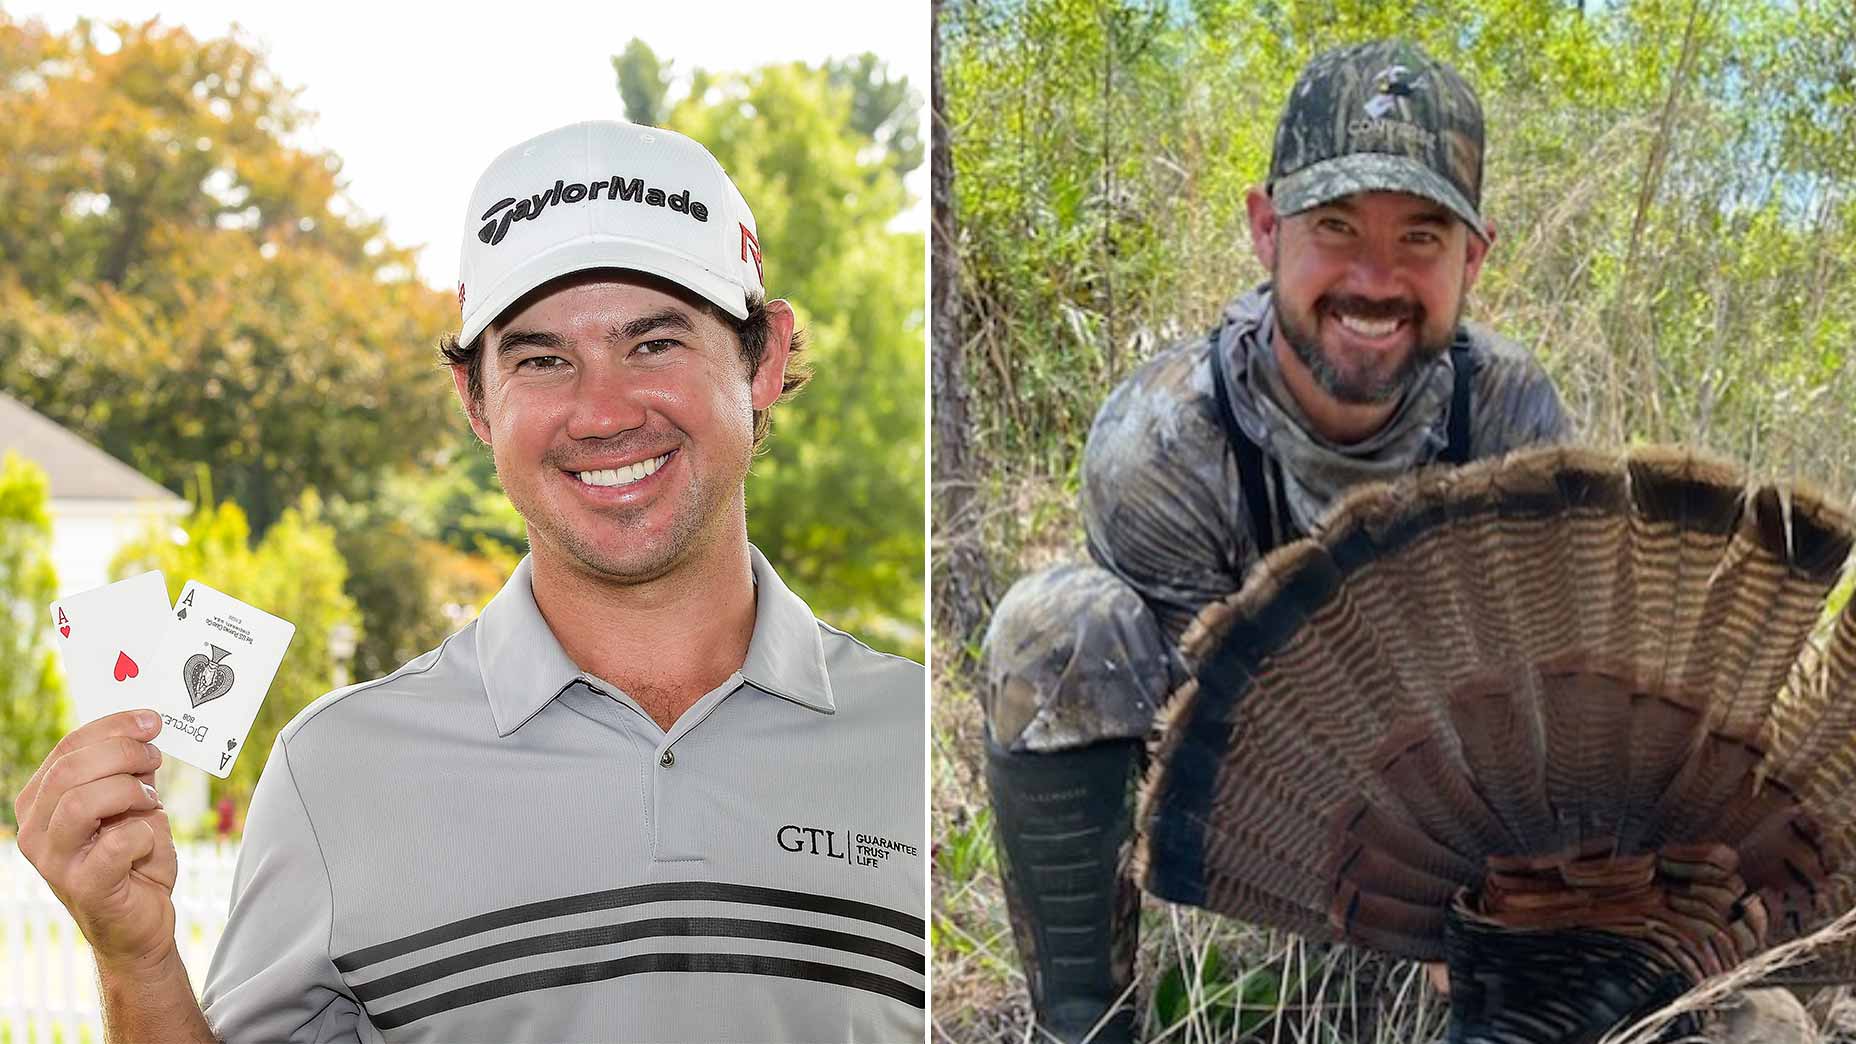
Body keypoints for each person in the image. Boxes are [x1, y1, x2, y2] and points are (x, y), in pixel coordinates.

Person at [13, 119, 925, 1043]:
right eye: (542, 360)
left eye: (654, 344)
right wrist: (137, 962)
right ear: (476, 401)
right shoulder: (335, 774)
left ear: (764, 360)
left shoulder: (924, 749)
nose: (602, 412)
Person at [977, 40, 1570, 1043]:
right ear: (1265, 228)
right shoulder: (1163, 437)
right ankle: (1084, 1022)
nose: (1374, 278)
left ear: (1473, 258)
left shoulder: (1508, 411)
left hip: (1451, 792)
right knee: (1054, 628)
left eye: (1420, 236)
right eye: (1335, 227)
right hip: (1248, 796)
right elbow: (1199, 743)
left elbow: (1531, 685)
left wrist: (1493, 889)